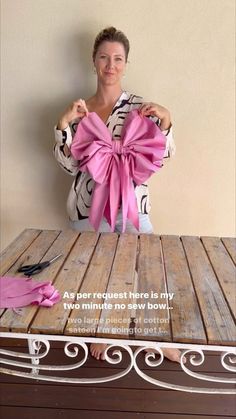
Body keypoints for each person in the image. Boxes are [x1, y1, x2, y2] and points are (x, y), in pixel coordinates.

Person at [54, 27, 181, 363]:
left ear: (125, 64)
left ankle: (156, 334)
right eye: (104, 57)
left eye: (117, 58)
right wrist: (63, 127)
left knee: (149, 265)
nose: (110, 64)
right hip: (87, 204)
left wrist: (166, 122)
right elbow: (70, 166)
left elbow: (159, 157)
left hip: (131, 201)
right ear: (94, 61)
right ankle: (105, 329)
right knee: (96, 269)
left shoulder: (141, 107)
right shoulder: (81, 110)